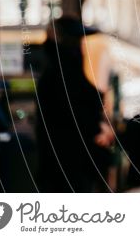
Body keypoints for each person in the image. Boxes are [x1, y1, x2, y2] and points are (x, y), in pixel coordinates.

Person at [36, 16, 115, 192]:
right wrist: (99, 129)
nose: (83, 49)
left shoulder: (53, 75)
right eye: (79, 42)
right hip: (71, 172)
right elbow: (81, 117)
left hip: (59, 172)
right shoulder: (64, 78)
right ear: (67, 45)